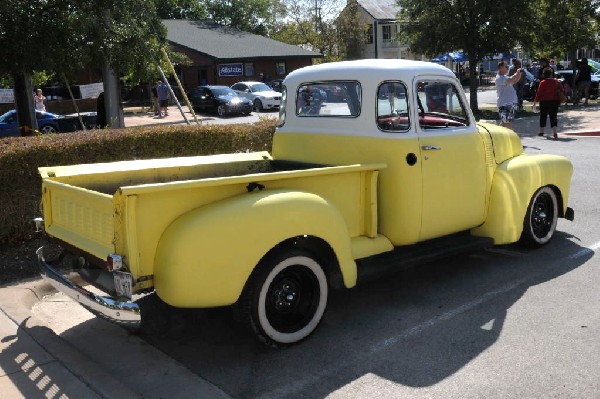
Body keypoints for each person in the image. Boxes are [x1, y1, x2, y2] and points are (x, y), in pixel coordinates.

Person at [532, 67, 564, 139]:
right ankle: (555, 132)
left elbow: (538, 94)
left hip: (544, 101)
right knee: (553, 116)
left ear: (544, 74)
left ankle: (541, 131)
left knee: (543, 116)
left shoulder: (542, 82)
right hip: (554, 101)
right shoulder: (557, 82)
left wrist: (534, 103)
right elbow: (562, 90)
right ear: (551, 74)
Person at [495, 60, 524, 129]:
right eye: (506, 67)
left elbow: (515, 80)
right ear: (501, 67)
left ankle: (497, 136)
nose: (508, 68)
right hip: (505, 104)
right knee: (507, 123)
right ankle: (512, 137)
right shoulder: (499, 78)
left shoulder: (504, 77)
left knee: (504, 123)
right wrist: (517, 73)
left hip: (510, 103)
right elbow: (511, 79)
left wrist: (519, 74)